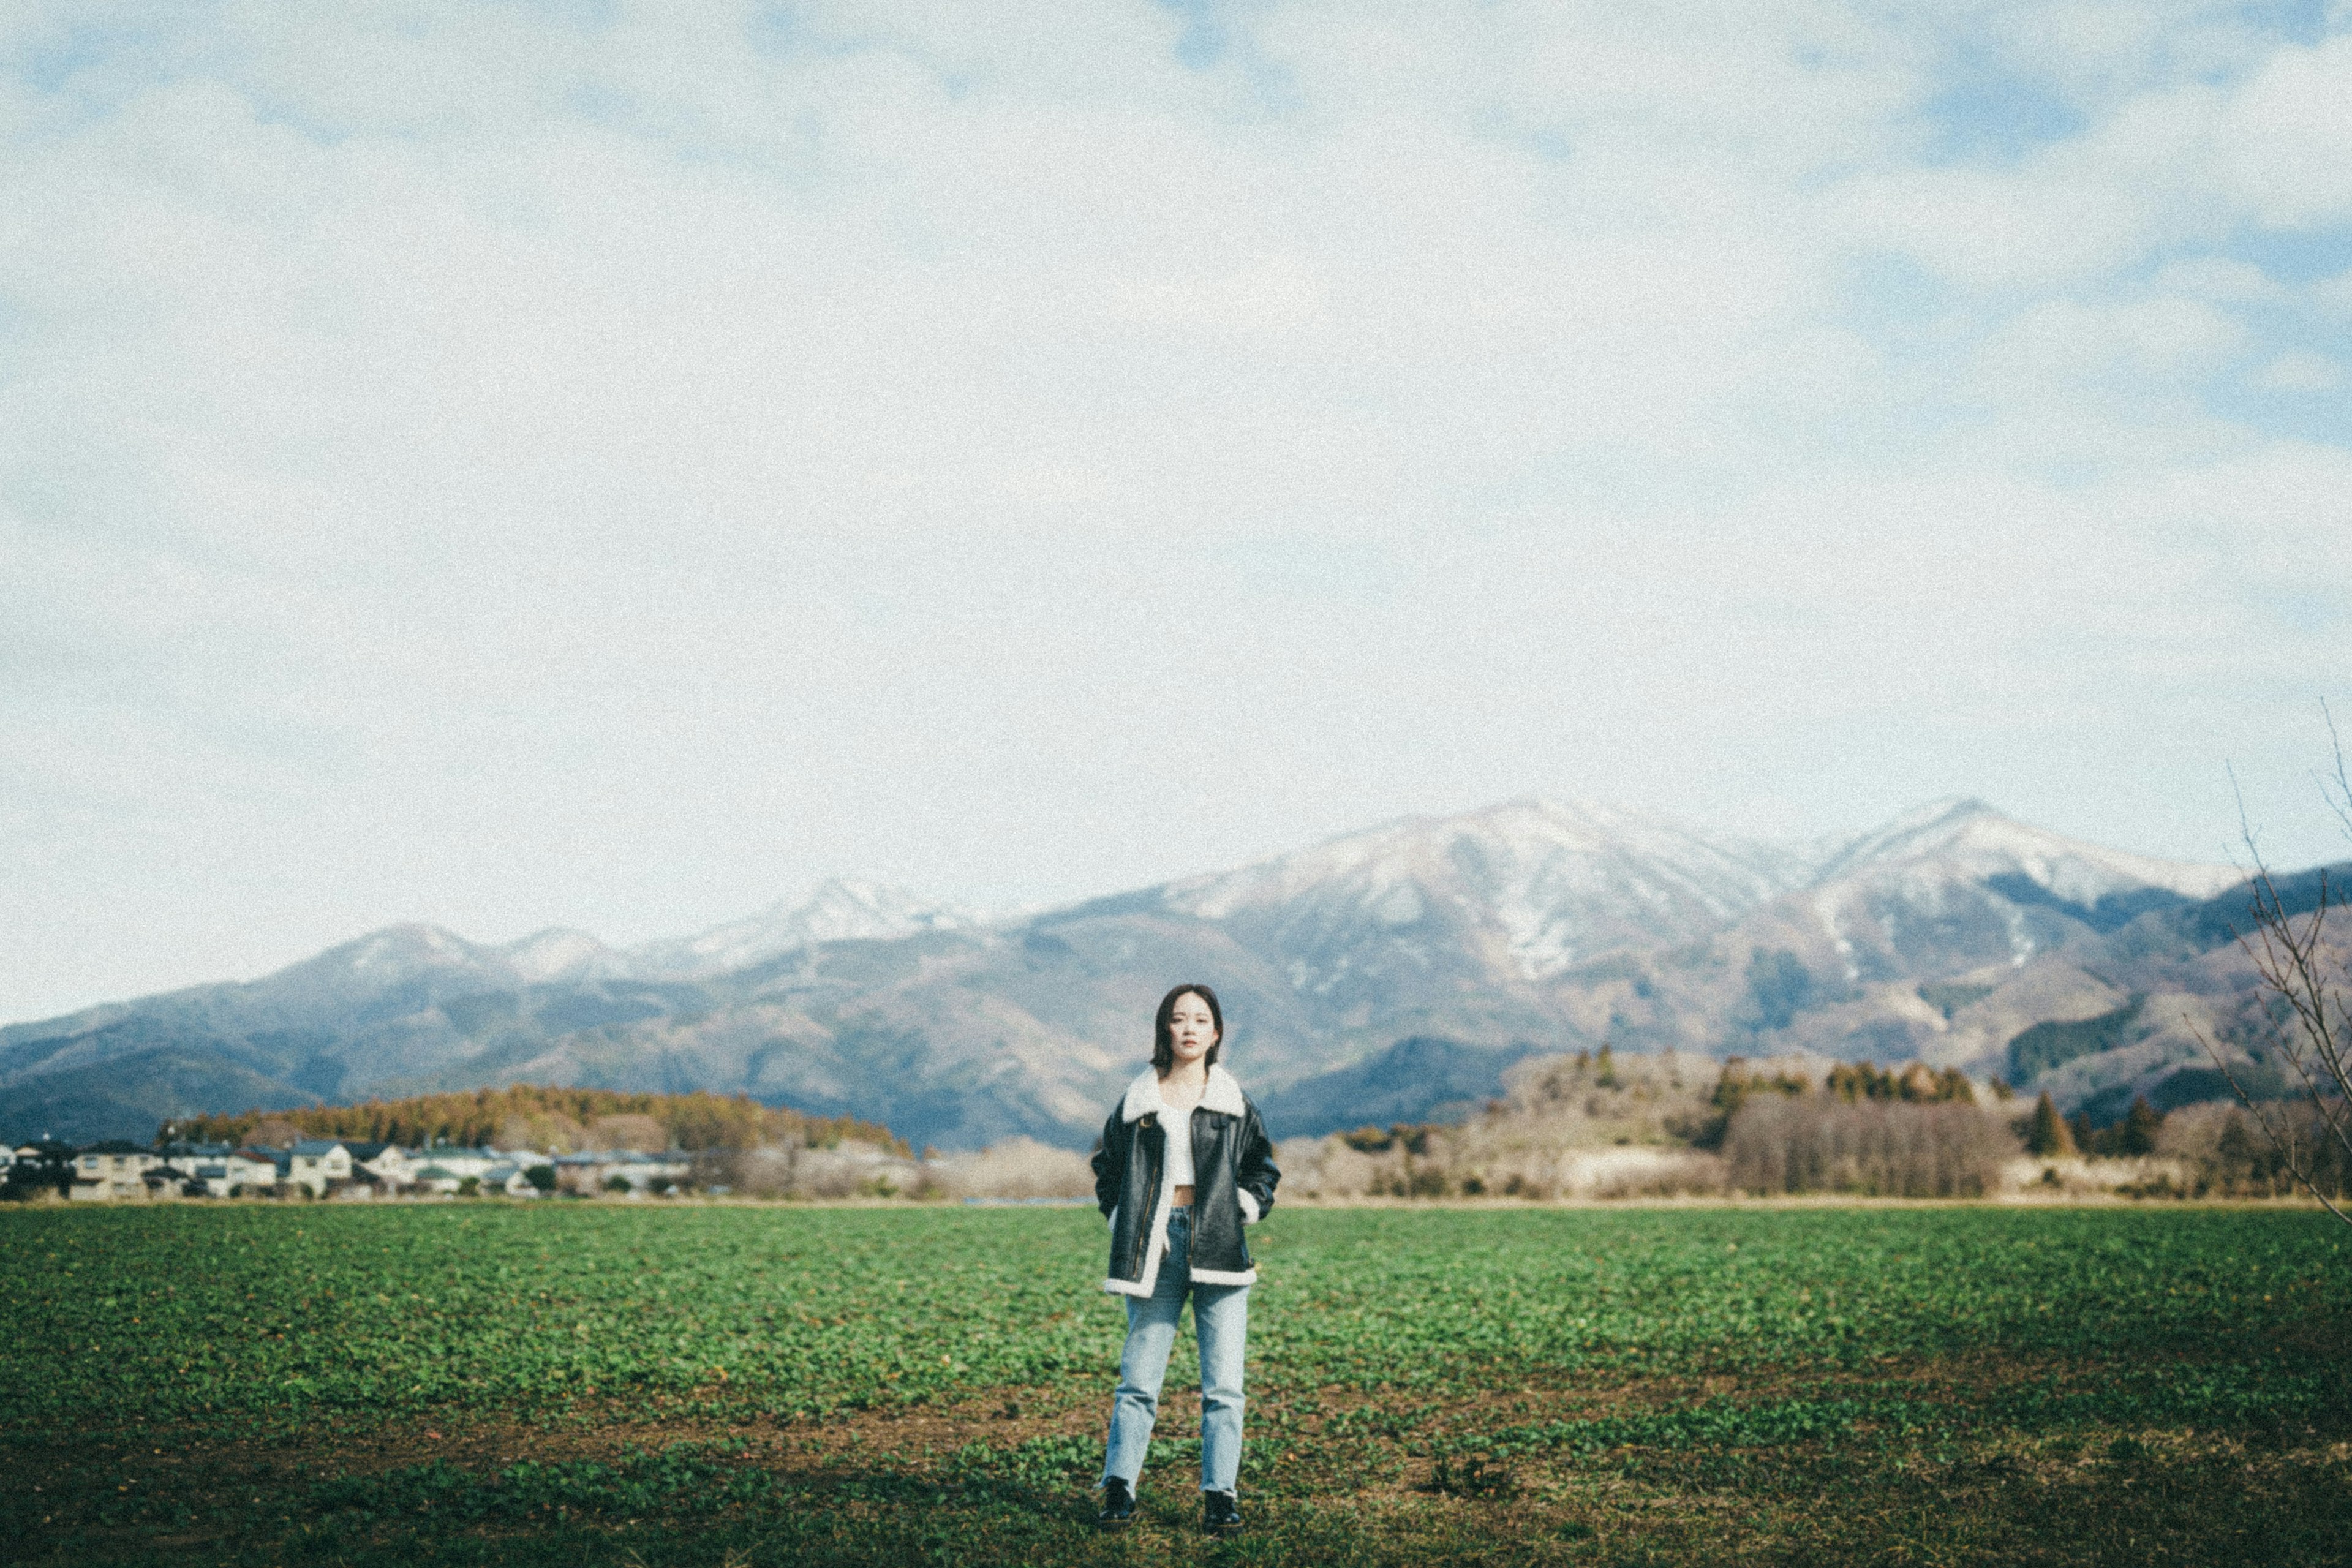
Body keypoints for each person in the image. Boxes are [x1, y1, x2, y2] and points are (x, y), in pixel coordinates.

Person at [1090, 982, 1280, 1537]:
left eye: (1202, 1019)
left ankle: (1221, 1494)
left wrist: (1240, 1208)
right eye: (1179, 1019)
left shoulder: (1235, 1103)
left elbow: (1262, 1171)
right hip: (1157, 1246)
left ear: (1216, 1033)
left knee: (1224, 1386)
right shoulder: (1137, 1103)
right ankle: (1119, 1488)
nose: (1190, 1028)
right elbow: (1108, 1172)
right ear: (1165, 1030)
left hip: (1220, 1244)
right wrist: (1128, 1223)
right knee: (1139, 1381)